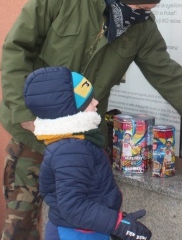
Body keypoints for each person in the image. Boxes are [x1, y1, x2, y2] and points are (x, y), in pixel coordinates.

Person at [0, 0, 182, 240]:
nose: (144, 15)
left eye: (149, 10)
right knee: (21, 225)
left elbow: (166, 74)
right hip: (34, 134)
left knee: (80, 224)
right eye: (141, 7)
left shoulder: (140, 27)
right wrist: (26, 115)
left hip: (83, 143)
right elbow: (16, 49)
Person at [23, 66, 151, 240]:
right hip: (77, 233)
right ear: (72, 111)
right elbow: (73, 206)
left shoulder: (73, 142)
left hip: (85, 229)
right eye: (88, 100)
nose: (96, 102)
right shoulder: (71, 150)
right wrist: (118, 224)